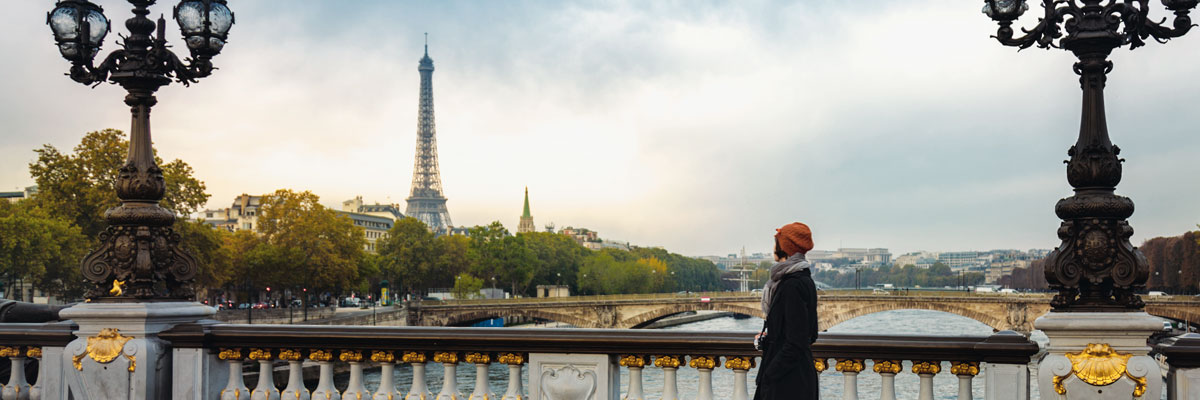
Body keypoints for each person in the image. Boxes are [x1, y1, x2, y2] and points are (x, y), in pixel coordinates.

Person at [754, 222, 819, 399]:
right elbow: (810, 334)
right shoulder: (803, 280)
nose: (773, 247)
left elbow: (796, 342)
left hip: (787, 383)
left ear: (785, 247)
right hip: (796, 377)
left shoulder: (791, 285)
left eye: (776, 242)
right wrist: (770, 339)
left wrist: (770, 375)